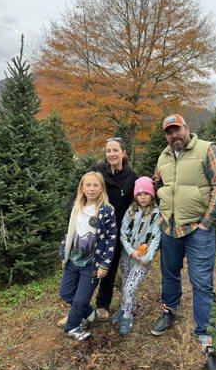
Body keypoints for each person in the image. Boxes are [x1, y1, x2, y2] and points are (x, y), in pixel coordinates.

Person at [151, 114, 216, 351]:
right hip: (169, 227)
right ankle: (170, 310)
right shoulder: (164, 156)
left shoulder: (209, 150)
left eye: (177, 130)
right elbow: (161, 183)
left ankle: (206, 332)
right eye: (169, 132)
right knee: (169, 274)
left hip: (198, 228)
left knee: (201, 282)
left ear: (187, 128)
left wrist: (208, 221)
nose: (173, 135)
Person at [59, 171, 117, 341]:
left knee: (80, 299)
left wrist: (104, 265)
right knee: (65, 293)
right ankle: (90, 313)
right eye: (88, 185)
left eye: (95, 185)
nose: (92, 189)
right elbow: (70, 232)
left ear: (101, 188)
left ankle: (73, 327)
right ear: (82, 188)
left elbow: (110, 239)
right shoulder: (77, 206)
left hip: (92, 264)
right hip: (73, 259)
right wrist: (64, 252)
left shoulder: (107, 210)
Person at [88, 138, 138, 320]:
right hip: (93, 228)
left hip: (115, 232)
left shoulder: (131, 177)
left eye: (115, 150)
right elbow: (84, 190)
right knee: (88, 267)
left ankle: (102, 305)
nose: (111, 154)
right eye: (108, 151)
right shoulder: (98, 170)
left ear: (123, 153)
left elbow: (138, 201)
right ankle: (79, 306)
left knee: (109, 269)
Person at [113, 176, 161, 336]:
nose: (143, 197)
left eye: (146, 194)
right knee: (126, 284)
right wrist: (130, 251)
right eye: (139, 194)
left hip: (142, 260)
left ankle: (127, 316)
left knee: (130, 288)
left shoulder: (155, 213)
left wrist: (147, 257)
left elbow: (156, 237)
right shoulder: (130, 211)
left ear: (152, 195)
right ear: (135, 196)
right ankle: (126, 307)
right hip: (127, 256)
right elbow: (123, 234)